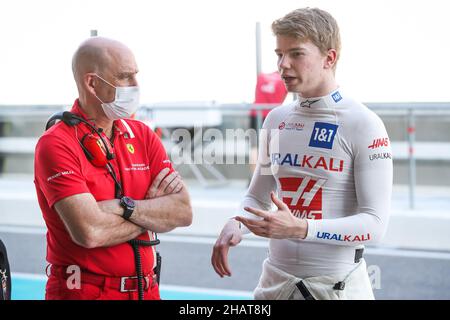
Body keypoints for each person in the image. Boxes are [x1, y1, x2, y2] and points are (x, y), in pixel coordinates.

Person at [211, 7, 393, 300]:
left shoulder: (363, 123)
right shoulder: (275, 119)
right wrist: (237, 222)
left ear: (329, 58)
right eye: (279, 54)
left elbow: (375, 226)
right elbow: (256, 197)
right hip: (274, 284)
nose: (283, 64)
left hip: (336, 287)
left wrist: (302, 228)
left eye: (296, 53)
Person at [34, 37, 193, 300]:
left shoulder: (142, 134)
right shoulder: (57, 143)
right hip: (84, 292)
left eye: (136, 76)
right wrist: (150, 212)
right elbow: (90, 232)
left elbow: (183, 212)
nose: (136, 86)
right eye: (124, 77)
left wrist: (125, 207)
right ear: (92, 83)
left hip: (147, 290)